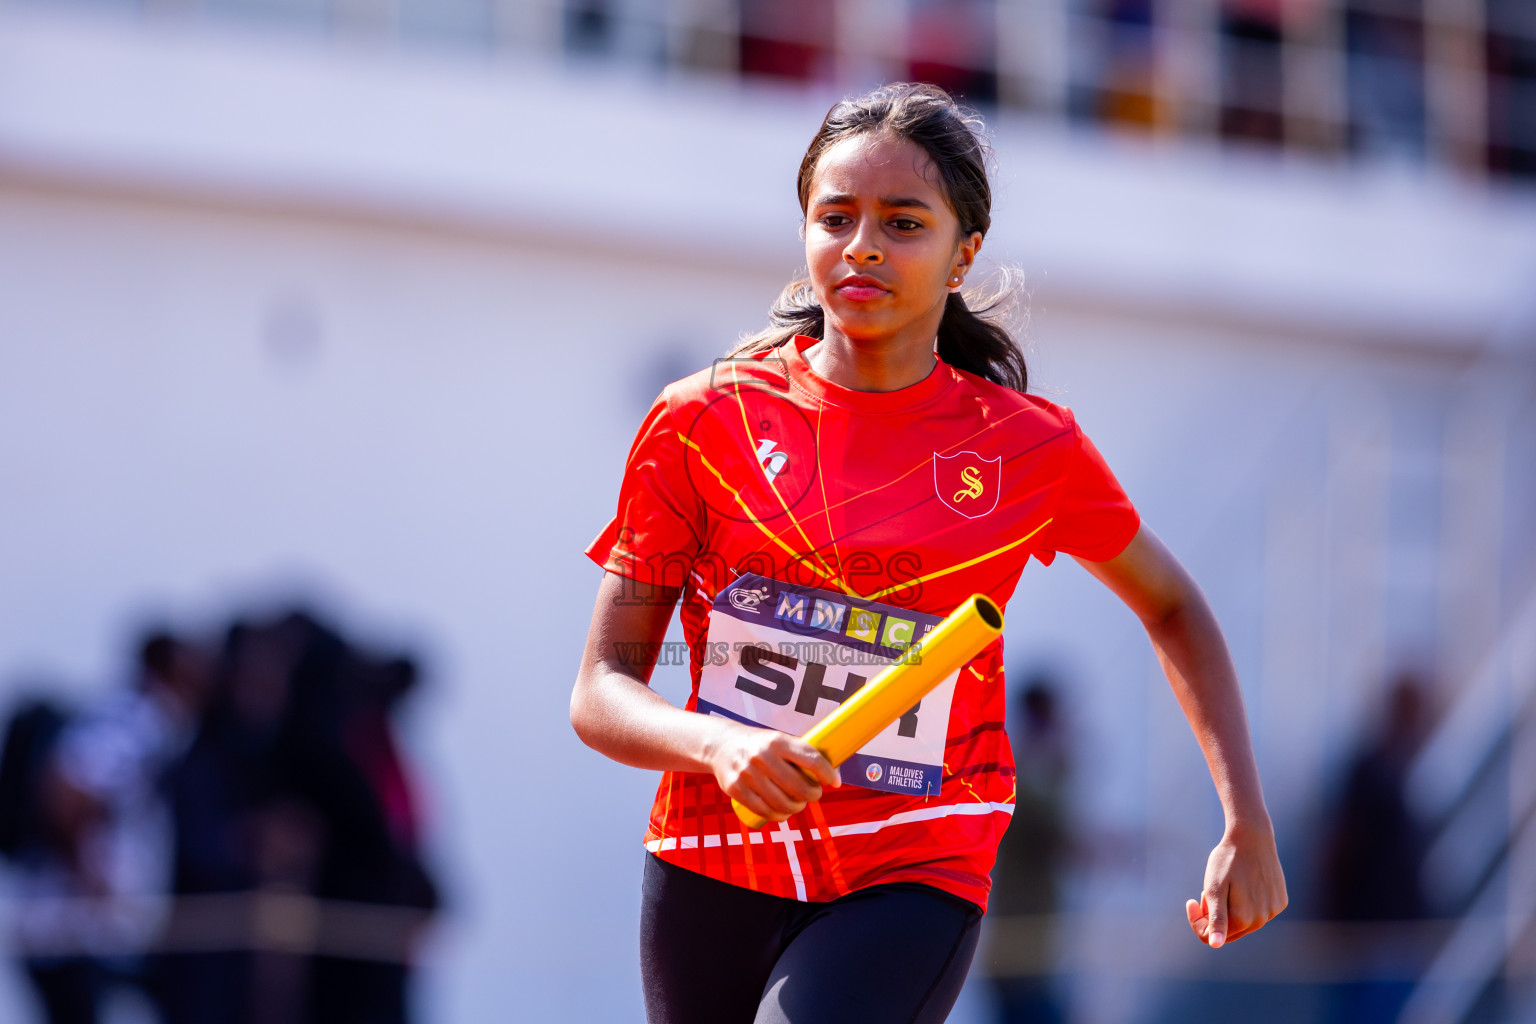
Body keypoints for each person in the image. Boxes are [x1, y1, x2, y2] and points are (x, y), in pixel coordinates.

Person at [570, 82, 1288, 1024]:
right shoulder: (698, 422)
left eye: (903, 222)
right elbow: (601, 691)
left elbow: (1171, 605)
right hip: (712, 857)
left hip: (917, 863)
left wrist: (1247, 820)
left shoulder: (1031, 449)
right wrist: (724, 745)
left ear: (964, 255)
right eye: (836, 217)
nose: (862, 244)